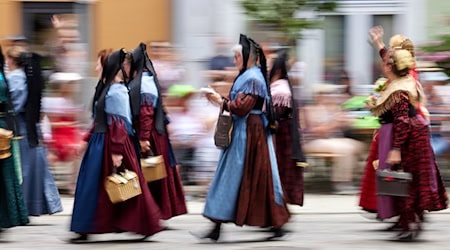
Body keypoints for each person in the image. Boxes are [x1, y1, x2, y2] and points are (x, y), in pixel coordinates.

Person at [197, 34, 290, 241]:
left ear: (248, 56)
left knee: (248, 178)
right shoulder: (248, 75)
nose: (234, 59)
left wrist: (219, 100)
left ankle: (274, 223)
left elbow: (242, 107)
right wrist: (220, 100)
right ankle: (217, 226)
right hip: (244, 132)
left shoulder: (253, 78)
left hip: (250, 134)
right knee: (234, 178)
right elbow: (238, 105)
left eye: (237, 56)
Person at [70, 49, 163, 242]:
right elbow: (100, 120)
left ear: (108, 67)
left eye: (99, 64)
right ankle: (87, 226)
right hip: (101, 143)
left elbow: (120, 124)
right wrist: (85, 139)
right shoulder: (108, 89)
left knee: (119, 185)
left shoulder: (117, 92)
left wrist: (117, 151)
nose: (96, 67)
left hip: (111, 144)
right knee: (98, 187)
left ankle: (143, 223)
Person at [370, 48, 447, 241]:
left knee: (407, 181)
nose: (384, 65)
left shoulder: (400, 89)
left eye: (388, 63)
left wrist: (395, 149)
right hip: (413, 133)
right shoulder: (401, 82)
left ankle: (410, 225)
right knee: (408, 180)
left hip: (410, 137)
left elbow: (402, 120)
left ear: (393, 67)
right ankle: (410, 223)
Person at [359, 26, 428, 214]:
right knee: (389, 170)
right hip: (394, 124)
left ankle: (403, 216)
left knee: (401, 173)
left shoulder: (405, 78)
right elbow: (389, 62)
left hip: (403, 126)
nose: (389, 53)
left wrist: (395, 147)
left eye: (393, 48)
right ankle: (391, 212)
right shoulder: (398, 73)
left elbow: (402, 114)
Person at [128, 42, 187, 221]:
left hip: (150, 135)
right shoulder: (146, 79)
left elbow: (146, 111)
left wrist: (144, 137)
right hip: (155, 133)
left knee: (150, 174)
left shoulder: (144, 81)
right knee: (154, 173)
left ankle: (153, 213)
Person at [5, 45, 63, 216]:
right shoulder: (27, 76)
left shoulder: (15, 77)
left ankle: (23, 205)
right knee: (36, 166)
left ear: (12, 60)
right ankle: (39, 204)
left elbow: (14, 102)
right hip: (29, 125)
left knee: (23, 167)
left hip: (19, 125)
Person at [269, 50, 307, 205]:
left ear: (277, 69)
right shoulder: (280, 86)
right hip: (281, 136)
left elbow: (276, 114)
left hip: (282, 138)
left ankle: (279, 210)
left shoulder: (280, 89)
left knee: (280, 173)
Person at [0, 45, 29, 235]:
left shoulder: (5, 76)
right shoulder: (4, 75)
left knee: (5, 176)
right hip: (4, 127)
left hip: (3, 128)